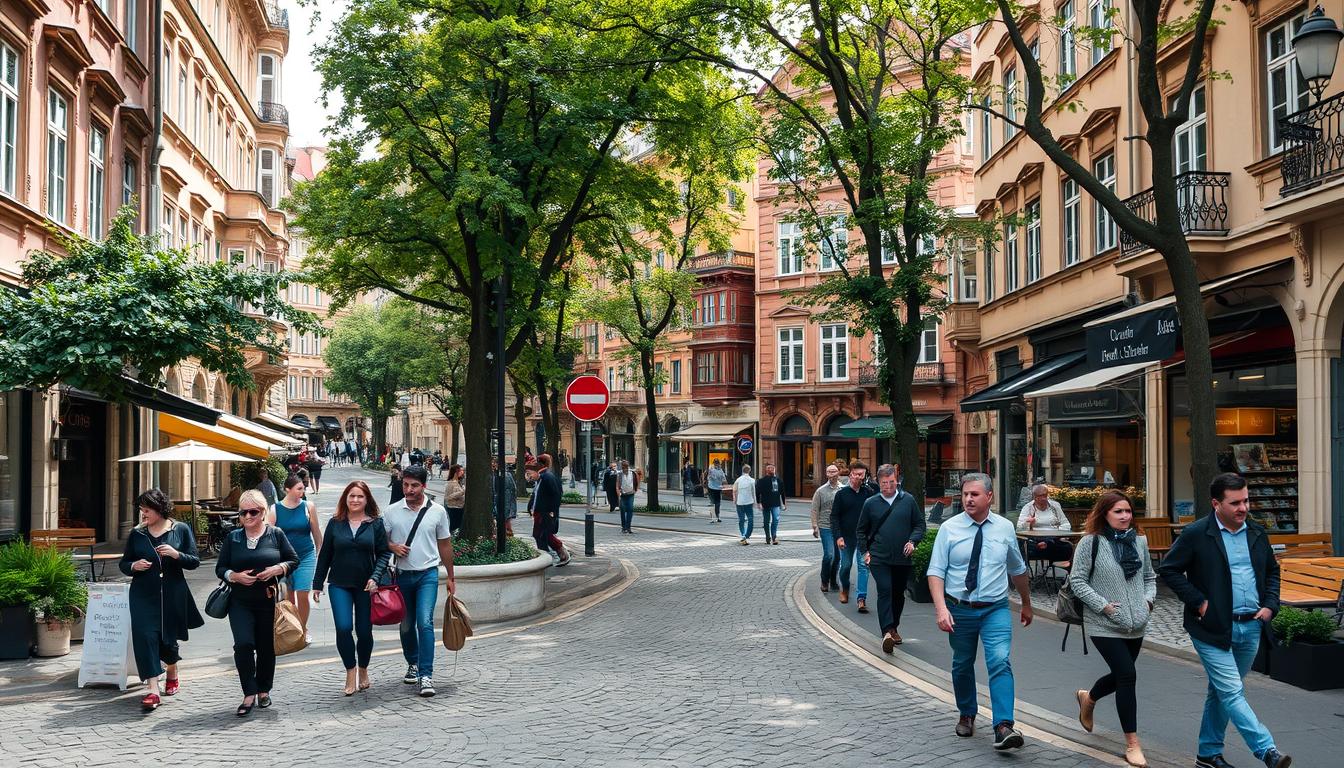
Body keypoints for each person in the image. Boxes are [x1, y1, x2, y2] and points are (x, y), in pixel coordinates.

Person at [1159, 473, 1290, 768]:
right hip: (1211, 628)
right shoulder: (1196, 533)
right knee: (1232, 691)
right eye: (1235, 503)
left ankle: (1207, 754)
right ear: (1216, 504)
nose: (1243, 508)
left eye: (1246, 500)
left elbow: (1272, 572)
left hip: (1251, 625)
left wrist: (1270, 606)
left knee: (1222, 693)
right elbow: (1169, 569)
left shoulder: (1256, 532)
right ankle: (1267, 751)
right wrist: (1199, 602)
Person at [927, 472, 1033, 751]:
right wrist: (941, 609)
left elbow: (1017, 568)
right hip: (959, 609)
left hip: (995, 608)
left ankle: (1003, 726)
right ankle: (967, 712)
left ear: (989, 496)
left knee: (999, 661)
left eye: (974, 494)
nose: (968, 499)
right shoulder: (949, 528)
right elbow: (936, 571)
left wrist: (1026, 603)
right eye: (965, 494)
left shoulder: (1005, 528)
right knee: (962, 662)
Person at [1069, 490, 1157, 768]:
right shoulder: (1090, 542)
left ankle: (1089, 697)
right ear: (1104, 513)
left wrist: (1147, 602)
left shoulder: (1139, 541)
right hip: (1103, 623)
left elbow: (1149, 577)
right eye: (1118, 511)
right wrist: (1104, 606)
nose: (1125, 516)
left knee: (1122, 675)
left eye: (1128, 511)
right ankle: (1132, 744)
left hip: (1136, 624)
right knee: (1127, 675)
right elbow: (1077, 581)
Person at [215, 489, 299, 717]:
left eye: (253, 512)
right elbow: (220, 568)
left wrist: (277, 569)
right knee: (243, 645)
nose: (248, 516)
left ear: (263, 512)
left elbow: (293, 560)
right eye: (243, 512)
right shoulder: (233, 538)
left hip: (267, 600)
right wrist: (234, 576)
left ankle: (263, 689)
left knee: (265, 647)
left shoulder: (276, 534)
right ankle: (249, 693)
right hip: (239, 601)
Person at [120, 488, 204, 712]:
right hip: (142, 595)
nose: (143, 514)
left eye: (146, 510)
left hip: (172, 593)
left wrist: (176, 555)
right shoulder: (137, 534)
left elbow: (194, 561)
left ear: (159, 509)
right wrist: (134, 566)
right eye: (141, 510)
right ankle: (153, 690)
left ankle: (172, 670)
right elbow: (124, 563)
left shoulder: (180, 529)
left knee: (168, 640)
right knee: (145, 637)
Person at [312, 481, 392, 696]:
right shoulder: (335, 523)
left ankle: (363, 668)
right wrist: (317, 584)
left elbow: (384, 553)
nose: (355, 500)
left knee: (364, 632)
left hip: (366, 586)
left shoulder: (375, 523)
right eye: (352, 496)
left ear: (367, 500)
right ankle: (350, 670)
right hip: (339, 584)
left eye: (360, 496)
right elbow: (325, 555)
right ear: (345, 499)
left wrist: (375, 577)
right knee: (343, 627)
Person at [384, 465, 456, 697]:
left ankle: (426, 675)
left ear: (424, 486)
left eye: (414, 485)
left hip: (428, 575)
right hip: (402, 576)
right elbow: (380, 542)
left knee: (424, 623)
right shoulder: (392, 512)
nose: (409, 489)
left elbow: (445, 544)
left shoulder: (437, 512)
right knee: (406, 625)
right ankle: (412, 663)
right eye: (405, 485)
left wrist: (451, 576)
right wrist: (393, 547)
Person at [857, 464, 926, 652]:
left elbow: (919, 525)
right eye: (884, 483)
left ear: (897, 480)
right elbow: (861, 530)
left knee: (898, 593)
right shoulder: (870, 503)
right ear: (878, 482)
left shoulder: (908, 500)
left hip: (902, 557)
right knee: (885, 589)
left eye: (891, 482)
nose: (888, 486)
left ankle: (894, 626)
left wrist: (913, 541)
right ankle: (887, 631)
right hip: (879, 557)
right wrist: (865, 552)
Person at [267, 476, 323, 643]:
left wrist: (320, 554)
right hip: (284, 560)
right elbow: (269, 537)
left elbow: (316, 533)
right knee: (289, 597)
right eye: (299, 488)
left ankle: (303, 630)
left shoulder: (308, 506)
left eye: (303, 488)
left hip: (306, 556)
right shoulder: (275, 509)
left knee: (303, 593)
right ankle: (293, 628)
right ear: (287, 489)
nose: (303, 491)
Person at [830, 462, 875, 612]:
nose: (860, 477)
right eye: (857, 474)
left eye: (862, 475)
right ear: (850, 474)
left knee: (863, 567)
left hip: (863, 538)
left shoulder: (868, 493)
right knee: (846, 566)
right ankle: (845, 587)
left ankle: (861, 598)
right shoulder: (841, 494)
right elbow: (834, 517)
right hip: (846, 537)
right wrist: (838, 537)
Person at [531, 454, 572, 565]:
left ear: (541, 464)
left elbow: (556, 494)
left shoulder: (547, 477)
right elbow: (537, 494)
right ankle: (549, 556)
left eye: (536, 463)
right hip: (541, 511)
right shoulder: (544, 476)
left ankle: (559, 554)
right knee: (541, 535)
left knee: (543, 534)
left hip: (544, 512)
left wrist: (551, 511)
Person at [810, 463, 842, 593]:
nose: (831, 474)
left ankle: (833, 580)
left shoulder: (843, 489)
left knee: (838, 557)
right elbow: (814, 509)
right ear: (826, 474)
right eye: (829, 472)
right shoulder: (820, 491)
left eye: (834, 471)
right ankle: (824, 580)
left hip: (839, 528)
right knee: (829, 555)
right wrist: (815, 526)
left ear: (838, 473)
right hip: (825, 527)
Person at [755, 463, 786, 545]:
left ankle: (774, 537)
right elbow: (757, 492)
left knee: (775, 520)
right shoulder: (761, 481)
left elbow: (782, 492)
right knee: (766, 521)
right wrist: (758, 503)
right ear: (766, 470)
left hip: (776, 504)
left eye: (772, 468)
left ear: (775, 470)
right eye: (769, 468)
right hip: (765, 504)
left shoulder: (779, 480)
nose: (770, 469)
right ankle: (767, 537)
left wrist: (784, 503)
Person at [492, 457, 518, 537]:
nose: (493, 464)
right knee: (505, 519)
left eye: (494, 463)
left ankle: (507, 535)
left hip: (503, 501)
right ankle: (507, 534)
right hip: (502, 500)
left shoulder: (504, 474)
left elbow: (510, 489)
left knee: (505, 519)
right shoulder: (500, 474)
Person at [733, 464, 756, 545]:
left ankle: (743, 534)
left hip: (739, 502)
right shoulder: (752, 480)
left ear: (742, 470)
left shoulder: (738, 480)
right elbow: (754, 492)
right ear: (750, 471)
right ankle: (747, 535)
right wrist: (755, 502)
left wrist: (735, 500)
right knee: (750, 519)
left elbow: (735, 491)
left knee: (741, 519)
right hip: (749, 502)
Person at [444, 464, 466, 535]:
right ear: (456, 472)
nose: (463, 472)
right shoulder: (451, 483)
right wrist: (462, 492)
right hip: (454, 509)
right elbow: (448, 497)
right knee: (453, 527)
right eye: (461, 471)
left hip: (460, 508)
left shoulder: (459, 482)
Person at [617, 459, 638, 533]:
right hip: (622, 495)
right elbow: (617, 485)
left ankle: (628, 527)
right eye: (623, 467)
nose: (624, 469)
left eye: (626, 467)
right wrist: (619, 494)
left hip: (630, 494)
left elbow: (637, 481)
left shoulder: (633, 473)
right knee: (622, 510)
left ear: (628, 467)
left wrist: (635, 490)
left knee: (630, 509)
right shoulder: (619, 474)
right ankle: (624, 527)